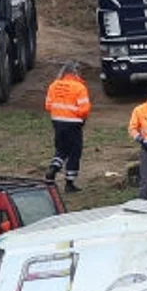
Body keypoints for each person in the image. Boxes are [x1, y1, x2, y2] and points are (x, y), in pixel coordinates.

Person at [44, 61, 92, 193]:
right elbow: (85, 109)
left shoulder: (54, 85)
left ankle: (53, 169)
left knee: (61, 149)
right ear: (76, 72)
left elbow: (48, 105)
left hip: (57, 122)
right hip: (73, 123)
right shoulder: (79, 87)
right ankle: (69, 182)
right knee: (74, 151)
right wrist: (79, 117)